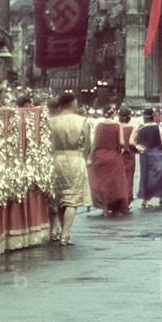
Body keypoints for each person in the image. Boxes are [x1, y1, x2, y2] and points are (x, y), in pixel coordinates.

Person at [48, 92, 91, 246]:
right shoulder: (82, 121)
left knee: (59, 198)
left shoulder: (51, 121)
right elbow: (87, 143)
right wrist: (85, 158)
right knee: (71, 200)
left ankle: (59, 230)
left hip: (56, 158)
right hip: (75, 158)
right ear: (73, 103)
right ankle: (66, 233)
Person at [87, 108, 130, 216]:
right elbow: (121, 142)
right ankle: (114, 206)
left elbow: (95, 143)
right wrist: (121, 148)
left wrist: (90, 157)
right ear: (114, 114)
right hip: (113, 156)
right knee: (115, 183)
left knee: (101, 183)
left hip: (100, 156)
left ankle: (104, 207)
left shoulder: (99, 126)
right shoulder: (117, 126)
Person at [135, 108, 162, 207]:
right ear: (153, 116)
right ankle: (150, 198)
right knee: (154, 177)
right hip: (155, 154)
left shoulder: (140, 127)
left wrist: (138, 148)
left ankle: (145, 199)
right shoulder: (157, 127)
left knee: (145, 176)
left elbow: (134, 141)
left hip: (144, 154)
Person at [118, 108, 137, 204]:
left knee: (118, 178)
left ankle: (118, 199)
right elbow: (132, 143)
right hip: (129, 156)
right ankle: (128, 200)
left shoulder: (116, 128)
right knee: (129, 178)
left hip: (118, 156)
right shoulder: (133, 128)